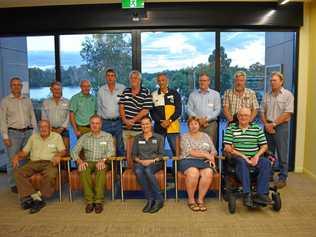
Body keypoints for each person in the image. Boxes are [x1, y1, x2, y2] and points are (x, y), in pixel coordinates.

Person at [12, 120, 66, 214]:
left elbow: (63, 151)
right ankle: (36, 198)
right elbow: (24, 152)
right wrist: (17, 156)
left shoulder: (56, 137)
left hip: (49, 162)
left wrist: (58, 155)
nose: (43, 129)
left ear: (50, 128)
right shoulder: (33, 137)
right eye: (41, 127)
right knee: (18, 172)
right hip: (34, 162)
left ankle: (32, 198)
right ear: (38, 128)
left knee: (51, 174)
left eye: (45, 126)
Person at [223, 107, 271, 207]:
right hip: (238, 158)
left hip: (254, 157)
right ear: (237, 116)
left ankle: (261, 194)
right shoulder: (231, 129)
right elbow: (227, 148)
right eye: (241, 115)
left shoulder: (257, 128)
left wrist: (257, 156)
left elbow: (264, 146)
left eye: (246, 115)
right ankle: (247, 193)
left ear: (250, 117)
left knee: (266, 162)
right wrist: (244, 157)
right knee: (242, 162)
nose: (243, 117)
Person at [71, 115, 115, 214]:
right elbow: (74, 151)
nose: (95, 125)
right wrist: (79, 161)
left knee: (101, 168)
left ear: (101, 125)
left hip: (102, 161)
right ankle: (89, 201)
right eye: (93, 123)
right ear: (90, 125)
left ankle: (98, 201)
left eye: (97, 123)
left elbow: (111, 151)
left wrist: (103, 160)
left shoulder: (107, 136)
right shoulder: (84, 137)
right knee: (83, 169)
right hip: (88, 161)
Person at [0, 77, 37, 193]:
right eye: (14, 85)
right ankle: (13, 184)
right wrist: (5, 137)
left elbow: (32, 116)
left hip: (28, 132)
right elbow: (2, 120)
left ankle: (24, 181)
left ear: (21, 86)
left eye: (18, 85)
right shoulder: (5, 101)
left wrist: (34, 132)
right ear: (11, 87)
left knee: (26, 159)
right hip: (13, 134)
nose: (16, 87)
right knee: (13, 161)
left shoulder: (27, 100)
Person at [260, 72, 294, 189]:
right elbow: (261, 111)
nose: (272, 82)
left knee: (281, 152)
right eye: (271, 80)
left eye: (274, 80)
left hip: (280, 126)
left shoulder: (287, 95)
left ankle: (283, 177)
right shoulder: (266, 95)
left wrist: (273, 124)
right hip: (267, 125)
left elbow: (287, 113)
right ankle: (268, 174)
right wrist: (266, 124)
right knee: (268, 152)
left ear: (281, 82)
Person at [179, 116, 217, 212]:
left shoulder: (206, 136)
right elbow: (190, 152)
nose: (193, 126)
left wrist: (211, 157)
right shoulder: (184, 136)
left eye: (195, 124)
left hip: (204, 161)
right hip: (188, 160)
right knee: (193, 173)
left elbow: (213, 150)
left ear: (199, 125)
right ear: (188, 126)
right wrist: (205, 154)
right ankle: (191, 200)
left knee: (208, 172)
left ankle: (200, 200)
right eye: (191, 124)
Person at [132, 116, 164, 213]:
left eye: (147, 123)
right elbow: (133, 155)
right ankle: (150, 199)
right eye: (143, 124)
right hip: (141, 162)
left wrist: (151, 161)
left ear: (151, 124)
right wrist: (141, 161)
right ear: (141, 126)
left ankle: (159, 199)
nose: (145, 126)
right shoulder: (137, 138)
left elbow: (161, 154)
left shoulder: (159, 137)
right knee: (138, 170)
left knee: (148, 170)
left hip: (155, 162)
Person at [150, 73, 181, 156]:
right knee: (158, 152)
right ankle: (161, 169)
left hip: (173, 127)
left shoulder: (175, 93)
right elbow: (152, 112)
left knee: (177, 151)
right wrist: (161, 122)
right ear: (157, 82)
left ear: (167, 81)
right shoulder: (153, 95)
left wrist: (169, 121)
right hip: (159, 127)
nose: (161, 82)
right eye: (159, 80)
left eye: (163, 80)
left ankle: (176, 169)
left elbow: (179, 110)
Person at [97, 68, 125, 156]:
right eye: (108, 76)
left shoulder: (122, 88)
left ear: (115, 77)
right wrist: (100, 123)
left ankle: (120, 167)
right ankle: (107, 165)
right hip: (105, 122)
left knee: (120, 145)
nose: (110, 78)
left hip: (119, 122)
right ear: (106, 77)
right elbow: (99, 108)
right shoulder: (101, 90)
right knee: (105, 145)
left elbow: (125, 105)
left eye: (112, 76)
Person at [119, 70, 152, 144]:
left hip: (139, 129)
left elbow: (145, 110)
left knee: (139, 151)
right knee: (127, 151)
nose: (133, 80)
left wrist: (132, 122)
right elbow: (121, 107)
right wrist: (125, 121)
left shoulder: (146, 91)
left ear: (140, 80)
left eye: (136, 78)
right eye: (131, 78)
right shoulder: (125, 91)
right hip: (126, 128)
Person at [187, 73, 221, 145]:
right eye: (201, 80)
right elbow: (189, 109)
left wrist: (206, 119)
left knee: (210, 146)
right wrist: (198, 120)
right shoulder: (192, 94)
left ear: (209, 81)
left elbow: (217, 110)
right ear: (198, 81)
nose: (202, 82)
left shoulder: (215, 94)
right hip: (195, 125)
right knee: (196, 145)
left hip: (210, 125)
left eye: (204, 80)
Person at [42, 81, 70, 151]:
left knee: (65, 152)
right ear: (51, 90)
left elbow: (69, 117)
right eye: (55, 89)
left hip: (64, 131)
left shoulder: (67, 102)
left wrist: (61, 128)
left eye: (59, 89)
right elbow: (44, 118)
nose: (57, 91)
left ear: (61, 89)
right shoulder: (46, 102)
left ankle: (64, 163)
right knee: (51, 151)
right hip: (50, 131)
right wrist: (51, 128)